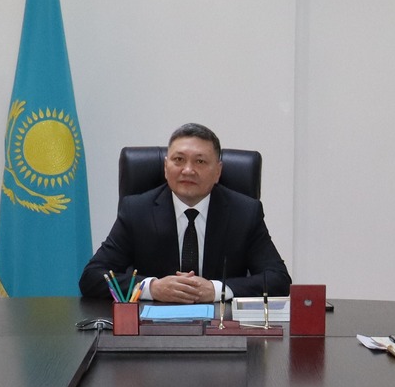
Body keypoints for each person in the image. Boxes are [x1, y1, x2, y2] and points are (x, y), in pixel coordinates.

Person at [79, 123, 289, 302]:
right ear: (165, 167)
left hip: (220, 327)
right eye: (178, 160)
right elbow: (92, 277)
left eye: (200, 161)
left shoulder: (244, 212)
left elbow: (278, 279)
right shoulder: (137, 210)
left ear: (218, 171)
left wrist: (217, 290)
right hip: (152, 329)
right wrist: (151, 288)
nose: (188, 170)